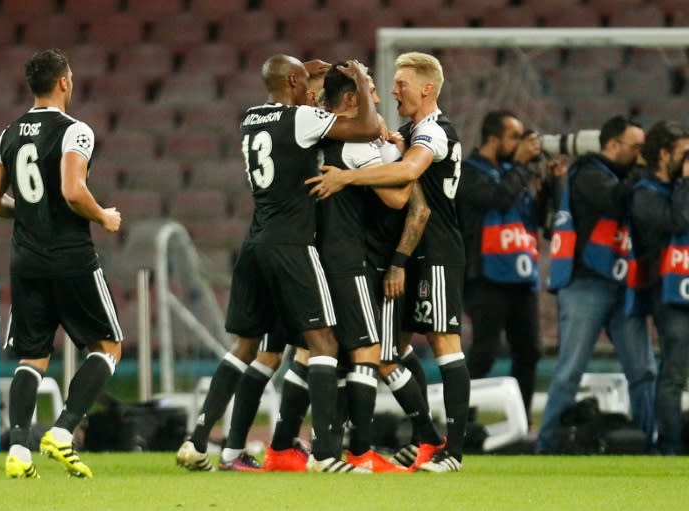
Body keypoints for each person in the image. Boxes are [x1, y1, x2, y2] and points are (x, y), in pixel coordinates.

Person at [176, 54, 380, 474]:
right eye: (306, 81)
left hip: (254, 245)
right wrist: (359, 78)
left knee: (247, 348)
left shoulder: (251, 118)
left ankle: (201, 442)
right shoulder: (302, 119)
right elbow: (368, 127)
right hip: (292, 244)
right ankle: (325, 454)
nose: (312, 89)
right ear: (292, 82)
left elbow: (281, 93)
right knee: (322, 342)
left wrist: (295, 72)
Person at [307, 51, 470, 472]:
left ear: (427, 88)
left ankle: (451, 452)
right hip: (407, 255)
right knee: (389, 350)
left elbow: (408, 177)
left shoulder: (434, 132)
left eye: (401, 83)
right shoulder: (408, 132)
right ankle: (424, 439)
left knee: (444, 346)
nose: (394, 90)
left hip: (435, 252)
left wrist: (347, 176)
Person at [0, 48, 123, 479]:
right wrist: (104, 216)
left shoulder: (8, 133)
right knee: (108, 346)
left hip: (25, 259)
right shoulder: (75, 130)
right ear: (64, 82)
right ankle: (62, 431)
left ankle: (19, 450)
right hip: (70, 256)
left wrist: (26, 210)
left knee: (33, 356)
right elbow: (73, 190)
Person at [536, 115, 656, 453]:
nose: (640, 154)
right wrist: (643, 171)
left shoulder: (631, 178)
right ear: (612, 145)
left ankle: (651, 442)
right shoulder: (587, 172)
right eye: (636, 147)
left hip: (623, 280)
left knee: (644, 369)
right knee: (569, 369)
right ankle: (547, 445)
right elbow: (615, 200)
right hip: (586, 283)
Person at [455, 111, 543, 421]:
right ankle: (462, 424)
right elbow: (499, 199)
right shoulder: (467, 172)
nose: (520, 144)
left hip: (521, 275)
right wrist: (520, 166)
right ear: (493, 139)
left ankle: (519, 423)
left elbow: (540, 219)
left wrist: (550, 183)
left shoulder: (515, 173)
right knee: (483, 354)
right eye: (514, 137)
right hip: (485, 277)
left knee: (529, 353)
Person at [629, 120, 689, 454]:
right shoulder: (644, 193)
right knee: (674, 374)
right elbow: (678, 222)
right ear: (664, 154)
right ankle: (671, 447)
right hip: (668, 292)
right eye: (684, 153)